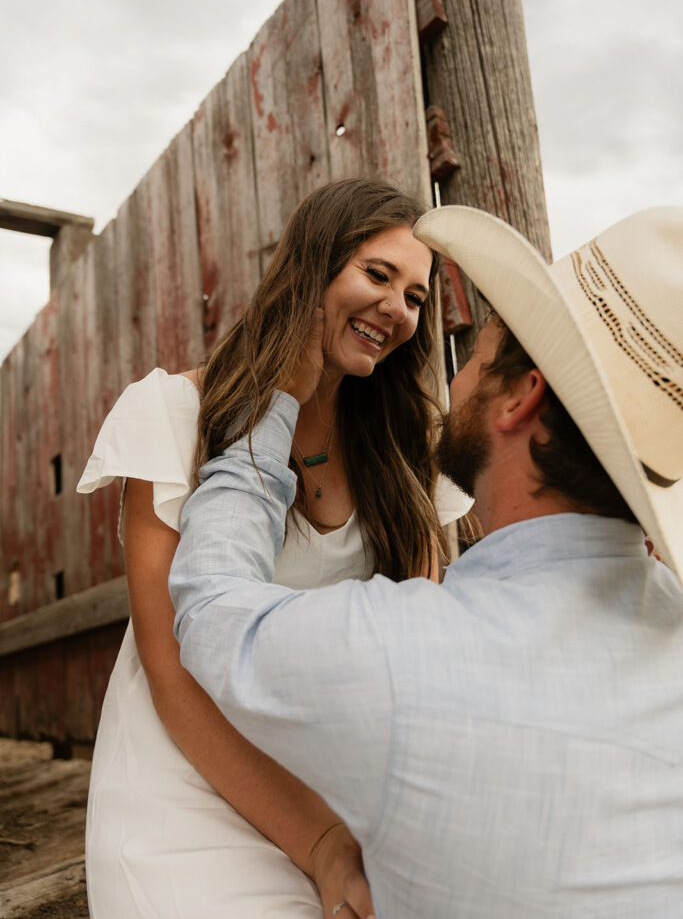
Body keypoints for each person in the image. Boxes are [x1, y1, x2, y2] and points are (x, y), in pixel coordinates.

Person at [169, 205, 683, 918]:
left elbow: (211, 610)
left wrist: (272, 406)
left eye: (475, 354)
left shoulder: (402, 654)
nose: (456, 375)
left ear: (521, 396)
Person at [77, 178, 470, 919]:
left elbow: (423, 647)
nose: (396, 308)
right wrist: (319, 845)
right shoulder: (175, 411)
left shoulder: (400, 446)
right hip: (187, 777)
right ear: (310, 270)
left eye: (416, 297)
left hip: (338, 776)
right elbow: (172, 676)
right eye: (376, 275)